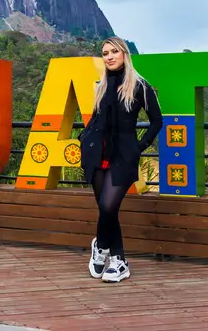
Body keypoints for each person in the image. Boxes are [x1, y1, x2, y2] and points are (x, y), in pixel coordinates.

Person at [79, 36, 163, 283]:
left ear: (125, 54)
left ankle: (100, 246)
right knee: (108, 210)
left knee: (108, 207)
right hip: (97, 153)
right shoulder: (101, 85)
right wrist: (84, 138)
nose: (109, 56)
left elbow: (157, 121)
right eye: (105, 53)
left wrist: (140, 145)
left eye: (114, 51)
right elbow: (95, 119)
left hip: (124, 155)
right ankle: (119, 262)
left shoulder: (139, 86)